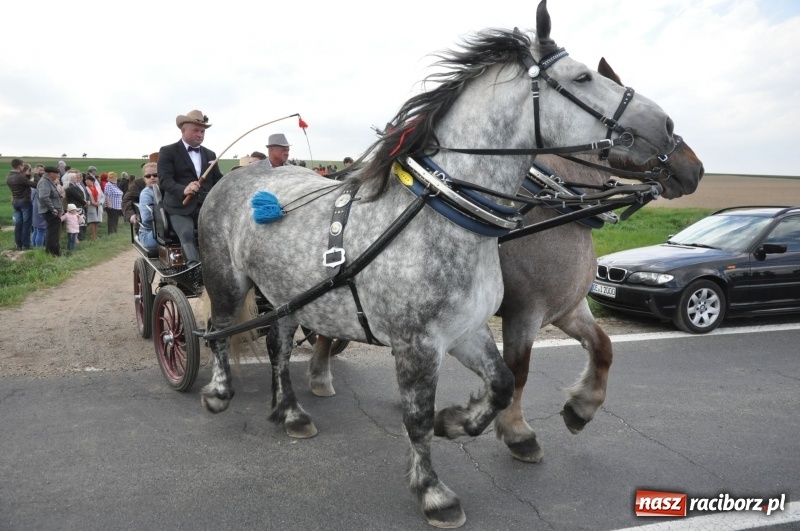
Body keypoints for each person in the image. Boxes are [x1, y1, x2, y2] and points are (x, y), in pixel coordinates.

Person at [157, 109, 223, 266]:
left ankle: (219, 267)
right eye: (196, 130)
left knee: (220, 233)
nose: (200, 134)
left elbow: (217, 180)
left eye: (202, 131)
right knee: (186, 233)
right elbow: (165, 180)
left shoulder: (210, 154)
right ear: (183, 130)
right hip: (179, 208)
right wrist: (183, 189)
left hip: (205, 208)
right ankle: (193, 269)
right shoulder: (168, 151)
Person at [6, 158, 36, 250]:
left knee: (18, 224)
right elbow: (34, 185)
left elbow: (22, 184)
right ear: (19, 166)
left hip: (15, 201)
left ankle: (18, 244)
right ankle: (26, 245)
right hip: (25, 201)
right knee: (26, 224)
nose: (23, 167)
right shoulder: (20, 176)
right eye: (22, 165)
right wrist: (36, 175)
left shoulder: (9, 176)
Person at [37, 166, 64, 256]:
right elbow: (43, 196)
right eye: (56, 173)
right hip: (49, 211)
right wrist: (52, 208)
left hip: (51, 210)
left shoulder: (48, 181)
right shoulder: (44, 182)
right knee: (52, 233)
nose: (57, 175)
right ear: (51, 173)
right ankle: (52, 253)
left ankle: (55, 251)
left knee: (54, 232)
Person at [136, 171, 160, 251]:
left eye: (155, 175)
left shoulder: (169, 190)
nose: (152, 177)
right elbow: (147, 218)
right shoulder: (146, 193)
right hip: (150, 231)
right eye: (148, 176)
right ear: (144, 179)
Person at [84, 173, 105, 240]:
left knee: (97, 221)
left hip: (98, 206)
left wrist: (100, 202)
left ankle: (96, 235)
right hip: (91, 206)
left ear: (92, 181)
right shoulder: (86, 189)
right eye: (86, 180)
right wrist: (91, 202)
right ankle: (92, 235)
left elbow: (103, 196)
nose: (86, 181)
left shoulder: (98, 188)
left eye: (88, 180)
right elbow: (85, 197)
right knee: (92, 221)